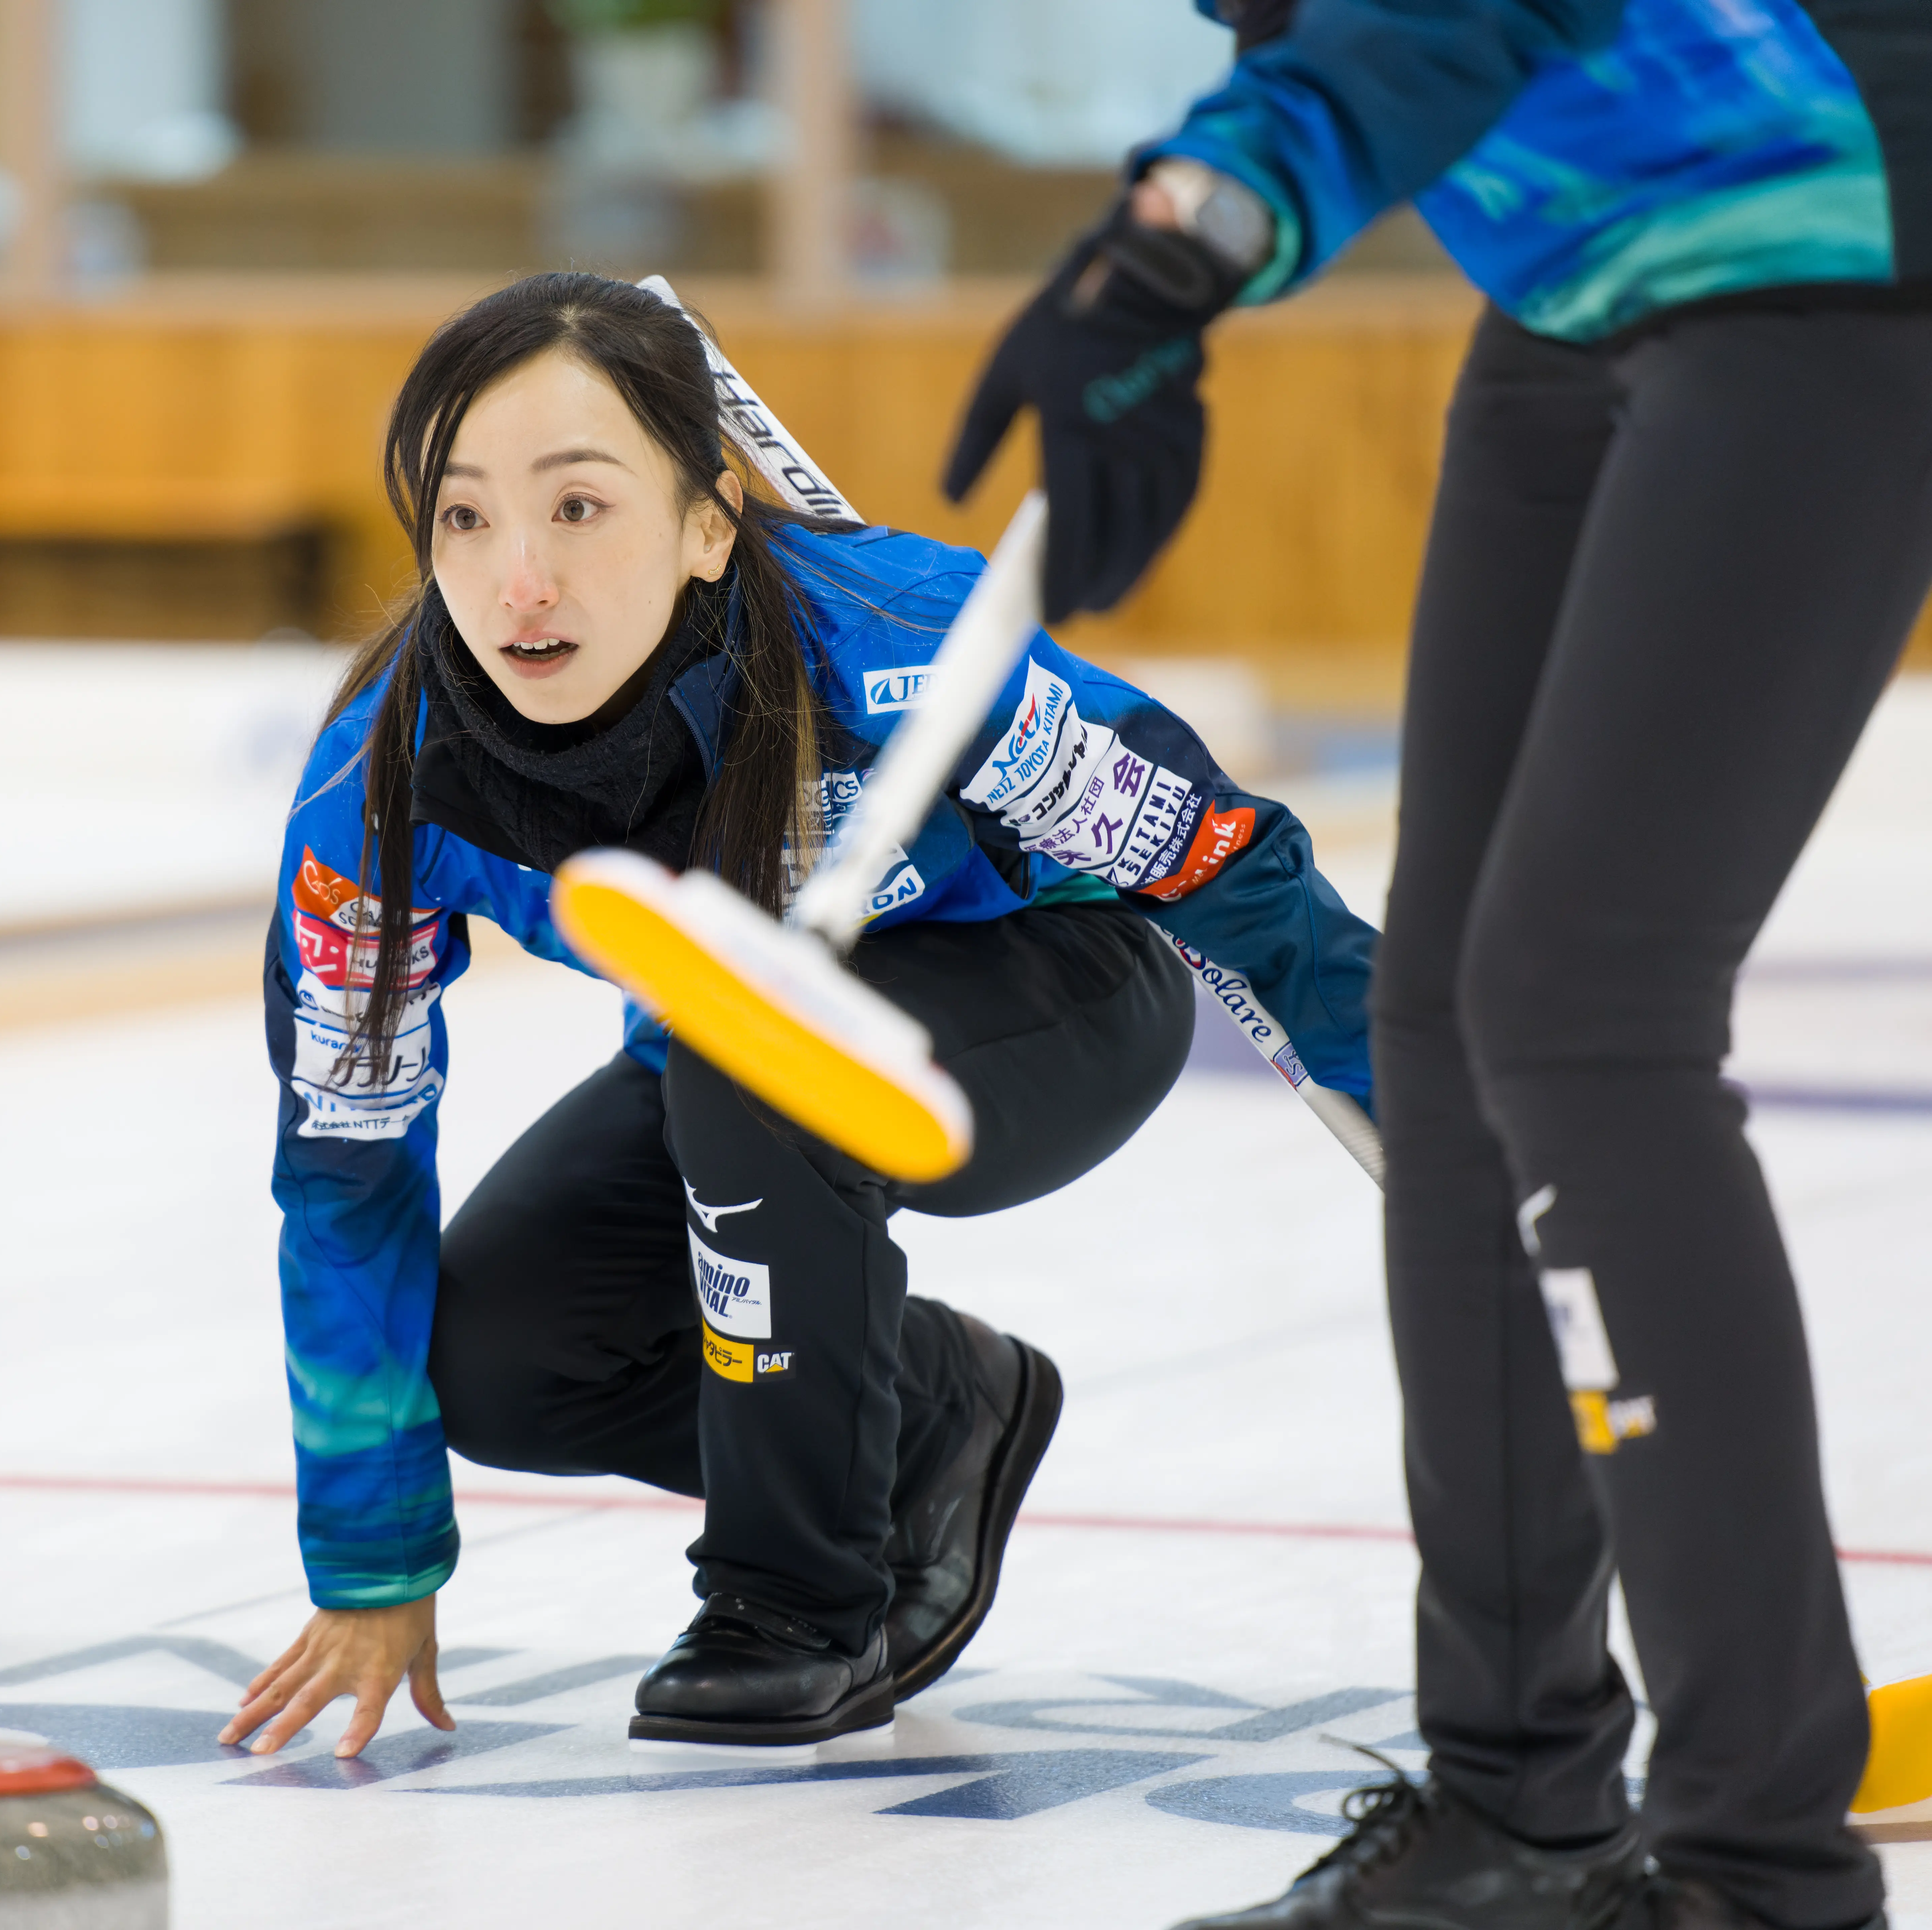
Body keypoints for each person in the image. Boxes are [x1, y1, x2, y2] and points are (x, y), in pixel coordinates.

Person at [946, 4, 1932, 1928]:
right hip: (1569, 244)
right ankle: (1519, 1804)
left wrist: (1182, 242)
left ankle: (1759, 1869)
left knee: (1587, 1016)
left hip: (1813, 212)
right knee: (1449, 1023)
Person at [219, 272, 1378, 1760]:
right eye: (464, 517)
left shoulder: (910, 650)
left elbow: (1228, 865)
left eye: (579, 509)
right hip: (734, 1049)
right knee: (501, 1355)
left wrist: (1437, 1103)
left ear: (713, 521)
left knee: (752, 1062)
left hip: (1061, 988)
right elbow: (345, 1165)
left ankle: (794, 1602)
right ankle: (943, 1411)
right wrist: (374, 1554)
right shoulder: (374, 794)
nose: (519, 580)